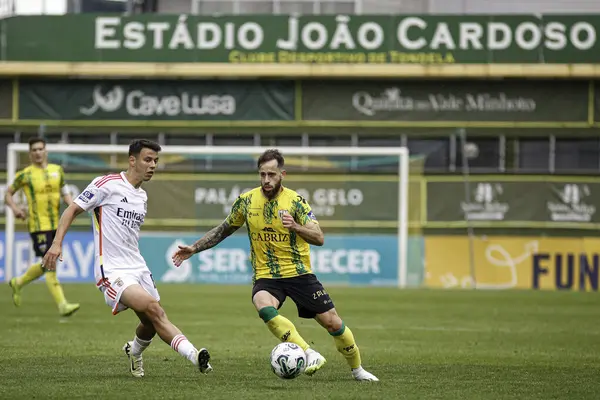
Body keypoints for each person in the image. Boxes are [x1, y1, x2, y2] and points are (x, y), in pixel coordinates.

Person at [172, 149, 379, 382]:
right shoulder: (247, 201)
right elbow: (223, 229)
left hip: (298, 273)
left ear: (282, 174)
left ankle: (357, 370)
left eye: (271, 174)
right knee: (262, 304)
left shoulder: (295, 202)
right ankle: (309, 352)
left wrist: (296, 227)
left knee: (333, 322)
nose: (266, 180)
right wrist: (195, 247)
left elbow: (319, 237)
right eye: (262, 175)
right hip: (267, 275)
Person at [41, 139, 212, 378]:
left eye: (156, 161)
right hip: (112, 270)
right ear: (132, 160)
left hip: (137, 267)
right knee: (154, 309)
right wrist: (56, 244)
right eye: (147, 160)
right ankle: (195, 356)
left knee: (151, 322)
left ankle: (134, 352)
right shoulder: (106, 185)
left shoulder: (141, 197)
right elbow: (72, 209)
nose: (152, 165)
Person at [6, 137, 80, 318]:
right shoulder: (25, 175)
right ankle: (62, 305)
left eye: (41, 149)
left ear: (46, 151)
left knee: (47, 263)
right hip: (38, 226)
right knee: (49, 265)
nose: (38, 153)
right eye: (34, 150)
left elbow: (65, 194)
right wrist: (15, 209)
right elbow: (8, 194)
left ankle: (19, 282)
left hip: (57, 225)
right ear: (30, 154)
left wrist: (75, 209)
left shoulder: (57, 171)